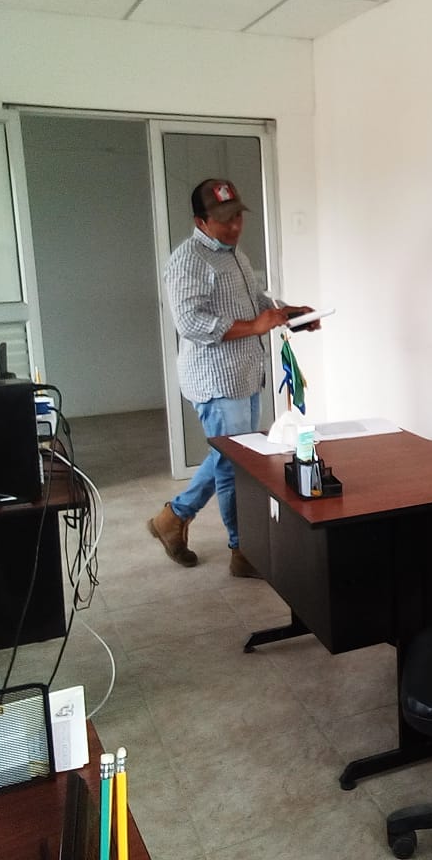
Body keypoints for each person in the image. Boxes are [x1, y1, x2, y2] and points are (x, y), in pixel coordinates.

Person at [148, 178, 320, 578]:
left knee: (232, 457)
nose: (235, 226)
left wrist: (292, 314)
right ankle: (243, 551)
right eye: (224, 220)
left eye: (238, 217)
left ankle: (173, 517)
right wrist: (256, 326)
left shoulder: (234, 254)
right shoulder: (188, 260)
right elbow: (191, 323)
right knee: (234, 466)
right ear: (201, 221)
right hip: (216, 380)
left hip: (244, 374)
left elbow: (256, 301)